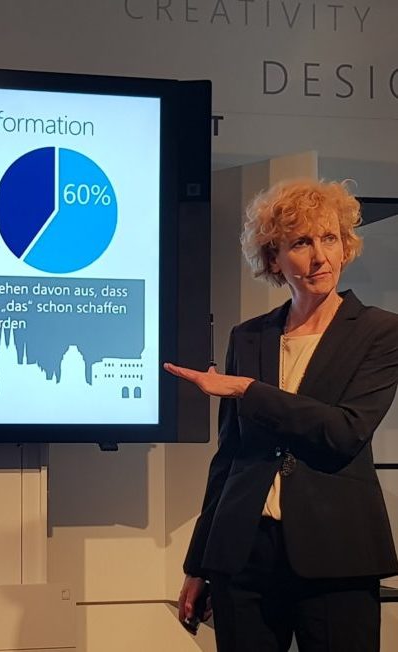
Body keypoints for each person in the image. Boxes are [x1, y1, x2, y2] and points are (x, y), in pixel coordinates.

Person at [165, 178, 398, 651]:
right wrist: (199, 563)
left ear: (346, 246)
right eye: (301, 243)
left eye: (329, 238)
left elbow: (344, 432)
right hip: (243, 554)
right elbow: (229, 457)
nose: (320, 257)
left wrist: (248, 390)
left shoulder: (380, 331)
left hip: (337, 554)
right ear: (274, 259)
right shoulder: (248, 336)